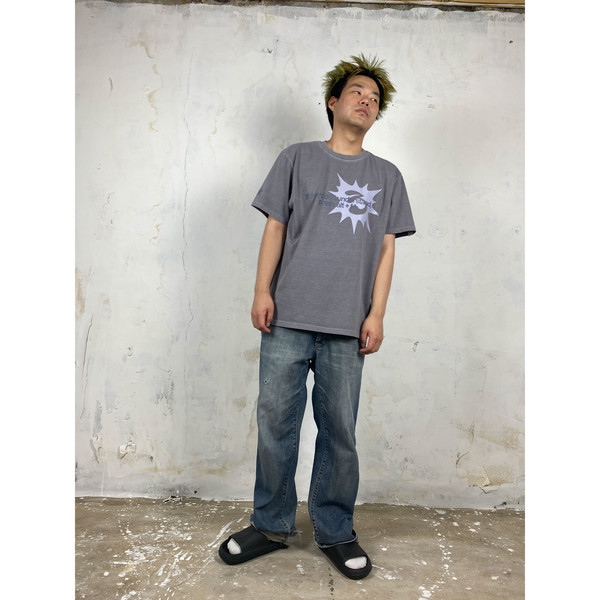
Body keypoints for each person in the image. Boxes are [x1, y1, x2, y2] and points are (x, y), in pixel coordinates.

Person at [218, 54, 415, 580]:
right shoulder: (297, 158)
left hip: (348, 325)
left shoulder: (387, 176)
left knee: (339, 432)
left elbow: (387, 250)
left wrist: (377, 314)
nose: (366, 101)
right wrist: (261, 290)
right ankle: (270, 524)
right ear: (333, 102)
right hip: (288, 316)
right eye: (356, 92)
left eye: (374, 98)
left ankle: (335, 529)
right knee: (275, 424)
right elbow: (275, 228)